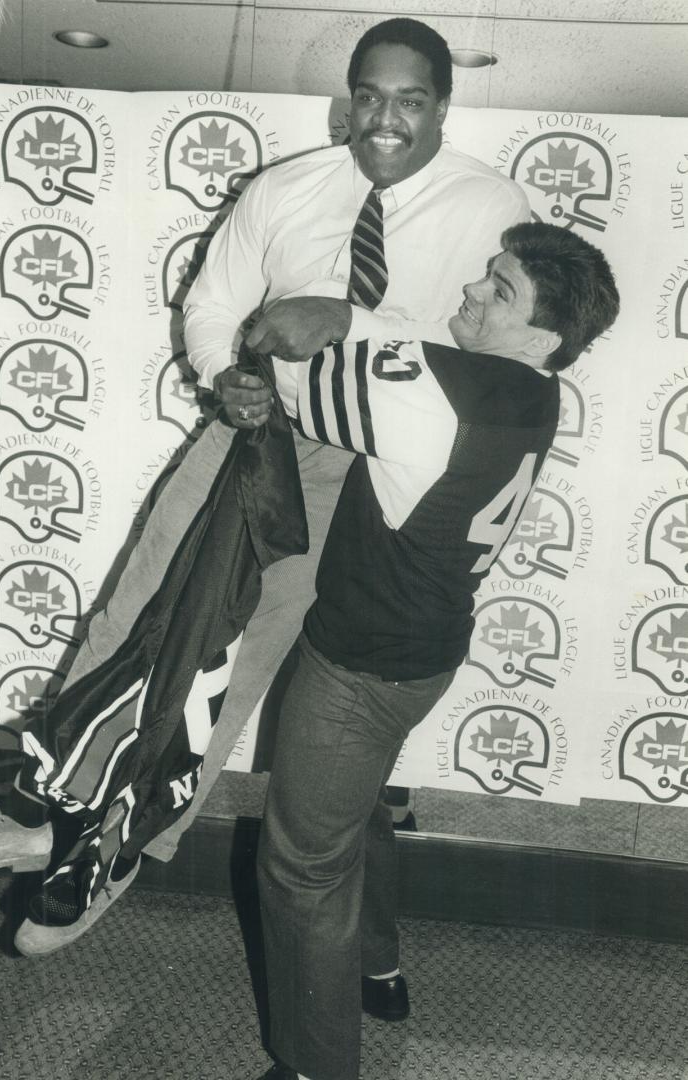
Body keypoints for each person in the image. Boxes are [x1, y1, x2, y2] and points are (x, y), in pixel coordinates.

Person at [0, 16, 527, 951]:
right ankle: (50, 803)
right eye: (369, 95)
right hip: (256, 429)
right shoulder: (287, 188)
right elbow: (213, 304)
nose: (385, 118)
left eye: (411, 99)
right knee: (130, 612)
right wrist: (222, 375)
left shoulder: (492, 207)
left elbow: (504, 352)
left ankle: (113, 852)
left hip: (372, 469)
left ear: (444, 103)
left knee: (228, 662)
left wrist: (352, 319)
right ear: (345, 97)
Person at [254, 221, 620, 1080]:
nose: (470, 292)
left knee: (301, 865)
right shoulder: (535, 392)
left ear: (542, 335)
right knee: (356, 812)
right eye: (484, 275)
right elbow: (408, 362)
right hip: (426, 656)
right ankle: (377, 969)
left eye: (498, 290)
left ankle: (312, 1068)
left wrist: (320, 313)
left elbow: (289, 368)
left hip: (357, 665)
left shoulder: (435, 389)